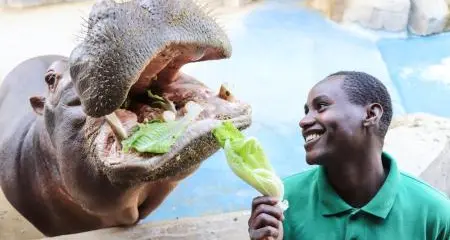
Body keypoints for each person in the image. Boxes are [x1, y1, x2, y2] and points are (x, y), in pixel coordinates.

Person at [248, 71, 450, 240]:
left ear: (370, 115)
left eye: (321, 106)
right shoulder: (283, 201)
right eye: (307, 111)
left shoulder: (434, 214)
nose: (303, 121)